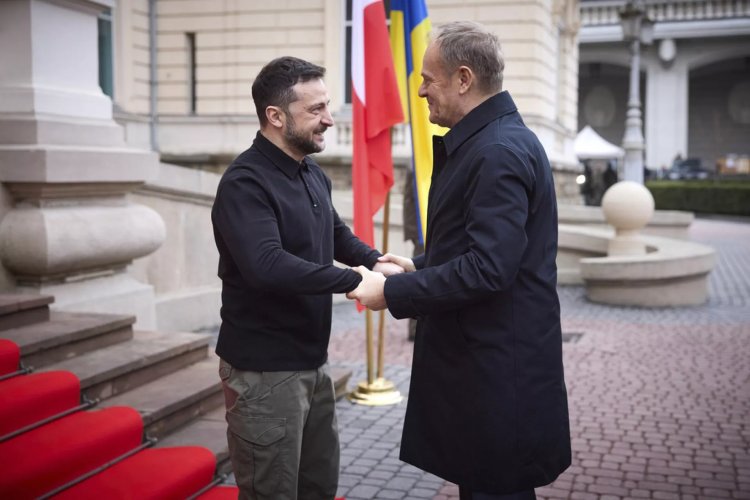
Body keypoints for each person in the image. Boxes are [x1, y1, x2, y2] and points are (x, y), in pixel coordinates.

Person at [347, 21, 571, 499]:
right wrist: (419, 266)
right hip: (490, 368)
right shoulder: (493, 141)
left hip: (496, 376)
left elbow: (489, 268)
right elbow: (481, 245)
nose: (422, 90)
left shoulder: (497, 151)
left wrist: (390, 292)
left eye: (429, 79)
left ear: (464, 79)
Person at [211, 56, 402, 500]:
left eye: (327, 106)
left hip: (312, 362)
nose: (329, 120)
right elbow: (267, 265)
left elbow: (334, 234)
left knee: (318, 487)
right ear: (275, 116)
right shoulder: (245, 182)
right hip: (263, 370)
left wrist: (377, 262)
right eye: (315, 110)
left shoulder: (311, 172)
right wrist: (353, 282)